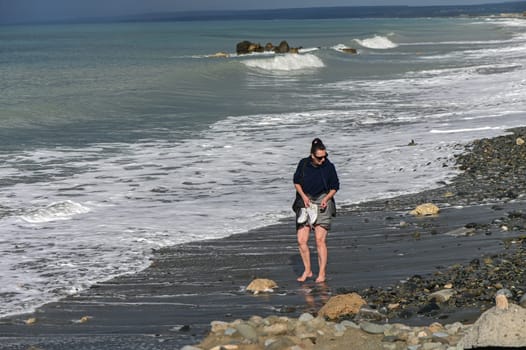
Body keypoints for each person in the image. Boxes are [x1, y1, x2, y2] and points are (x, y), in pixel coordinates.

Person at [293, 138, 339, 283]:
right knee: (301, 240)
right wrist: (303, 197)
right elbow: (296, 182)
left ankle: (322, 273)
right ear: (312, 155)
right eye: (320, 157)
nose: (323, 159)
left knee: (320, 240)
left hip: (323, 200)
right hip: (305, 201)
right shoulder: (303, 164)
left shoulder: (329, 166)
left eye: (325, 156)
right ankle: (308, 270)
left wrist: (327, 199)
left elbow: (335, 186)